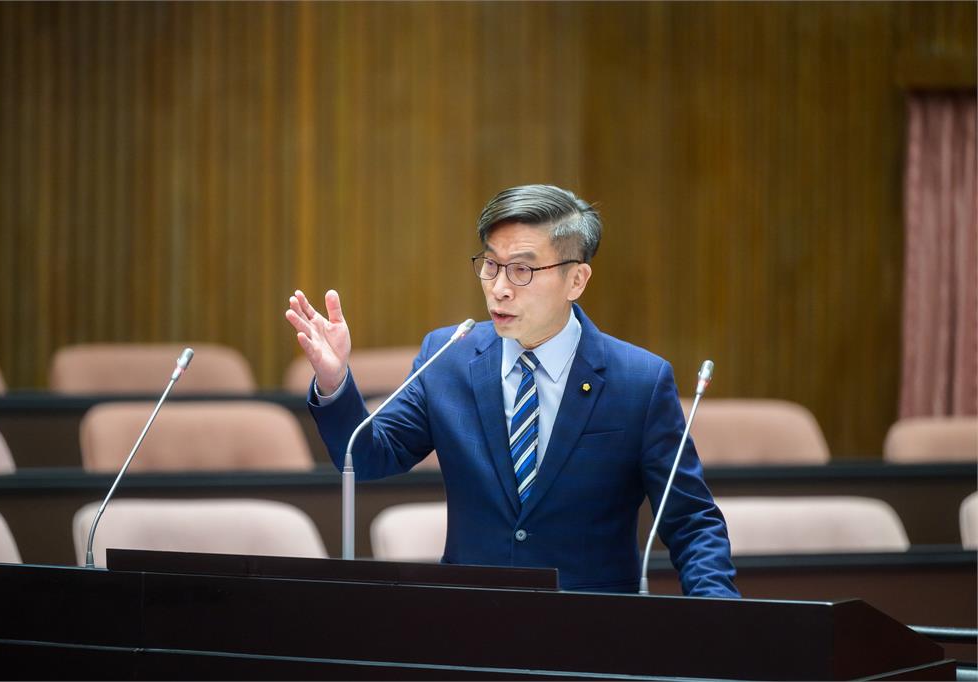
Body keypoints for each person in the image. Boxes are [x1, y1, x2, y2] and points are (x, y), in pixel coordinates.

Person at [285, 184, 739, 597]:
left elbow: (691, 522)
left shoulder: (639, 381)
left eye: (522, 270)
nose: (499, 288)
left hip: (593, 632)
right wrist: (334, 381)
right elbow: (367, 457)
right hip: (471, 625)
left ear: (576, 280)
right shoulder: (448, 357)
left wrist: (718, 619)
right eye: (491, 265)